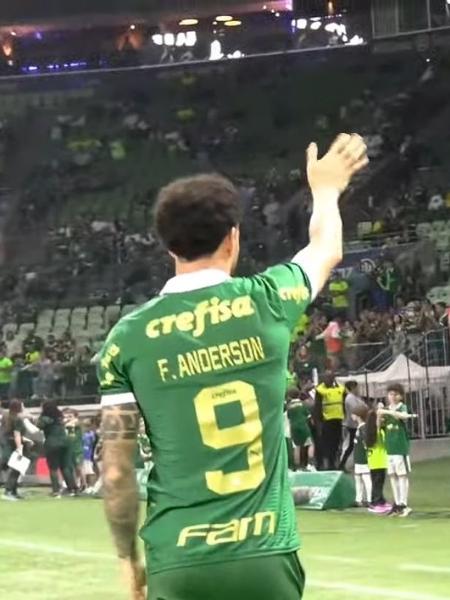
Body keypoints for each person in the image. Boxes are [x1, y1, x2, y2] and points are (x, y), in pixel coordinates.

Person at [98, 133, 368, 600]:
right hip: (265, 553)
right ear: (234, 237)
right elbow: (326, 248)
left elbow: (118, 474)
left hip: (179, 559)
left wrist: (128, 558)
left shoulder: (127, 338)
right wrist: (326, 190)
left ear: (169, 247)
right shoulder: (267, 300)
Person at [380, 383, 417, 517]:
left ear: (401, 396)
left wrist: (387, 411)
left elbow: (401, 416)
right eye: (390, 394)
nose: (393, 397)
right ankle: (396, 503)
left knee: (402, 476)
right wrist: (380, 414)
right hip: (389, 448)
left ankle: (404, 504)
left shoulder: (403, 407)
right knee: (392, 476)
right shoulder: (386, 409)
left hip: (400, 447)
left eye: (396, 394)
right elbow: (380, 425)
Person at [37, 399, 77, 497]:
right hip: (65, 442)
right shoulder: (59, 416)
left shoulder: (45, 418)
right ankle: (72, 489)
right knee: (65, 466)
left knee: (53, 468)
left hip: (52, 443)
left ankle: (56, 491)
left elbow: (39, 426)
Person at [315, 371, 345, 470]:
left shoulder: (340, 388)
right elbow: (317, 406)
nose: (329, 380)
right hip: (326, 421)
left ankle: (334, 463)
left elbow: (343, 402)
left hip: (338, 419)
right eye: (327, 378)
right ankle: (325, 464)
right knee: (326, 443)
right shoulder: (320, 390)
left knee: (336, 443)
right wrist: (318, 422)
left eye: (331, 377)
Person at [365, 408, 391, 515]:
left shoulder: (380, 430)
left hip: (380, 460)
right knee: (377, 482)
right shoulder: (374, 431)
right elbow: (377, 425)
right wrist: (379, 416)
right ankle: (375, 502)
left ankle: (380, 500)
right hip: (377, 460)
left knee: (379, 482)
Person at [1, 399, 27, 500]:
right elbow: (17, 435)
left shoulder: (6, 416)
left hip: (6, 444)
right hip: (12, 446)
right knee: (16, 469)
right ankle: (9, 491)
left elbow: (9, 433)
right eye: (22, 406)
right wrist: (19, 449)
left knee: (13, 468)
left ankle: (13, 491)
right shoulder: (17, 419)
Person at [339, 381, 366, 470]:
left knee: (353, 445)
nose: (358, 389)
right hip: (353, 425)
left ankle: (343, 464)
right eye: (356, 387)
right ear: (352, 388)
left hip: (357, 424)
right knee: (351, 445)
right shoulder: (350, 398)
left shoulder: (356, 397)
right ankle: (342, 464)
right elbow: (357, 409)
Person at [286, 388, 315, 471]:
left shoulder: (288, 406)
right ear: (298, 395)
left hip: (294, 427)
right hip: (303, 426)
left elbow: (288, 417)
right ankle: (310, 464)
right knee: (311, 444)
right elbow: (309, 416)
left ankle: (297, 467)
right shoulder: (303, 404)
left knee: (296, 447)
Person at [351, 404, 372, 507]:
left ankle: (369, 498)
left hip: (363, 458)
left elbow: (366, 444)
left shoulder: (363, 428)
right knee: (358, 478)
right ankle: (359, 499)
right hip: (358, 458)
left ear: (358, 416)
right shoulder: (359, 428)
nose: (351, 416)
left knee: (366, 478)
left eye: (353, 414)